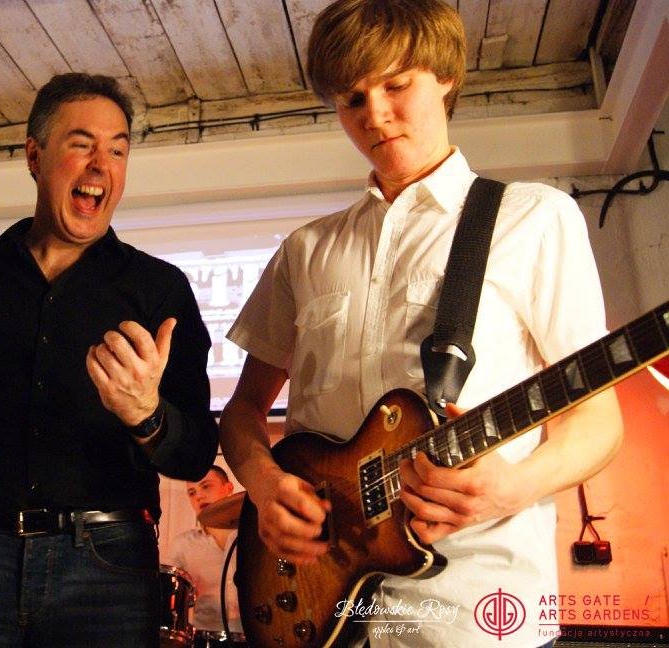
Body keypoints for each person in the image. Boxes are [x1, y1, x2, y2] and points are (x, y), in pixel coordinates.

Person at [219, 1, 624, 646]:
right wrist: (267, 488)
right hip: (318, 598)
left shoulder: (535, 218)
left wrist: (510, 488)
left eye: (396, 85)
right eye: (352, 99)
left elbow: (598, 419)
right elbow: (243, 411)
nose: (374, 115)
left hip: (476, 609)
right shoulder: (305, 249)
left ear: (445, 77)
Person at [0, 72, 219, 647]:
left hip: (108, 568)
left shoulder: (159, 289)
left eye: (117, 150)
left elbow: (195, 455)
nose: (101, 165)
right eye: (81, 144)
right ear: (34, 156)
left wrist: (145, 413)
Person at [168, 466, 244, 643]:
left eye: (206, 486)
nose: (199, 496)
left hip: (254, 635)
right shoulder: (183, 545)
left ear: (228, 488)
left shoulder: (253, 539)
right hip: (203, 638)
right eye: (192, 493)